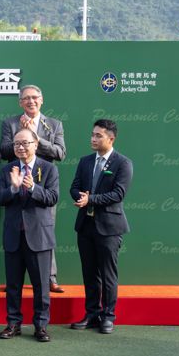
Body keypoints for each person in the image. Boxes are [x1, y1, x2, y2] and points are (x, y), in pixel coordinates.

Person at [0, 128, 59, 342]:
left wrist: (33, 188)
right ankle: (13, 323)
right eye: (16, 144)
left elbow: (52, 197)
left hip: (39, 237)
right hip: (14, 235)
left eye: (25, 143)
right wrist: (13, 189)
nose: (20, 147)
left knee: (41, 286)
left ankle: (40, 326)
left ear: (35, 144)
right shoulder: (8, 169)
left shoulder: (48, 168)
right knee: (13, 285)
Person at [0, 85, 67, 294]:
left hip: (43, 184)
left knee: (46, 230)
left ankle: (50, 276)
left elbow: (60, 153)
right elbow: (3, 151)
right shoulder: (10, 123)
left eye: (34, 97)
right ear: (20, 102)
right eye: (26, 98)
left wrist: (37, 140)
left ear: (41, 99)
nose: (31, 101)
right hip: (16, 183)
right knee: (16, 231)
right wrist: (20, 138)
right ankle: (14, 279)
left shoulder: (54, 125)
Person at [69, 119, 133, 334]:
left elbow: (118, 194)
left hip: (109, 228)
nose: (93, 139)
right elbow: (75, 187)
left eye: (98, 136)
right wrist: (80, 197)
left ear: (111, 139)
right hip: (85, 226)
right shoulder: (85, 161)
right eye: (92, 134)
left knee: (108, 274)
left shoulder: (123, 163)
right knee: (89, 274)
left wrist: (91, 199)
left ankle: (108, 316)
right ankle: (92, 313)